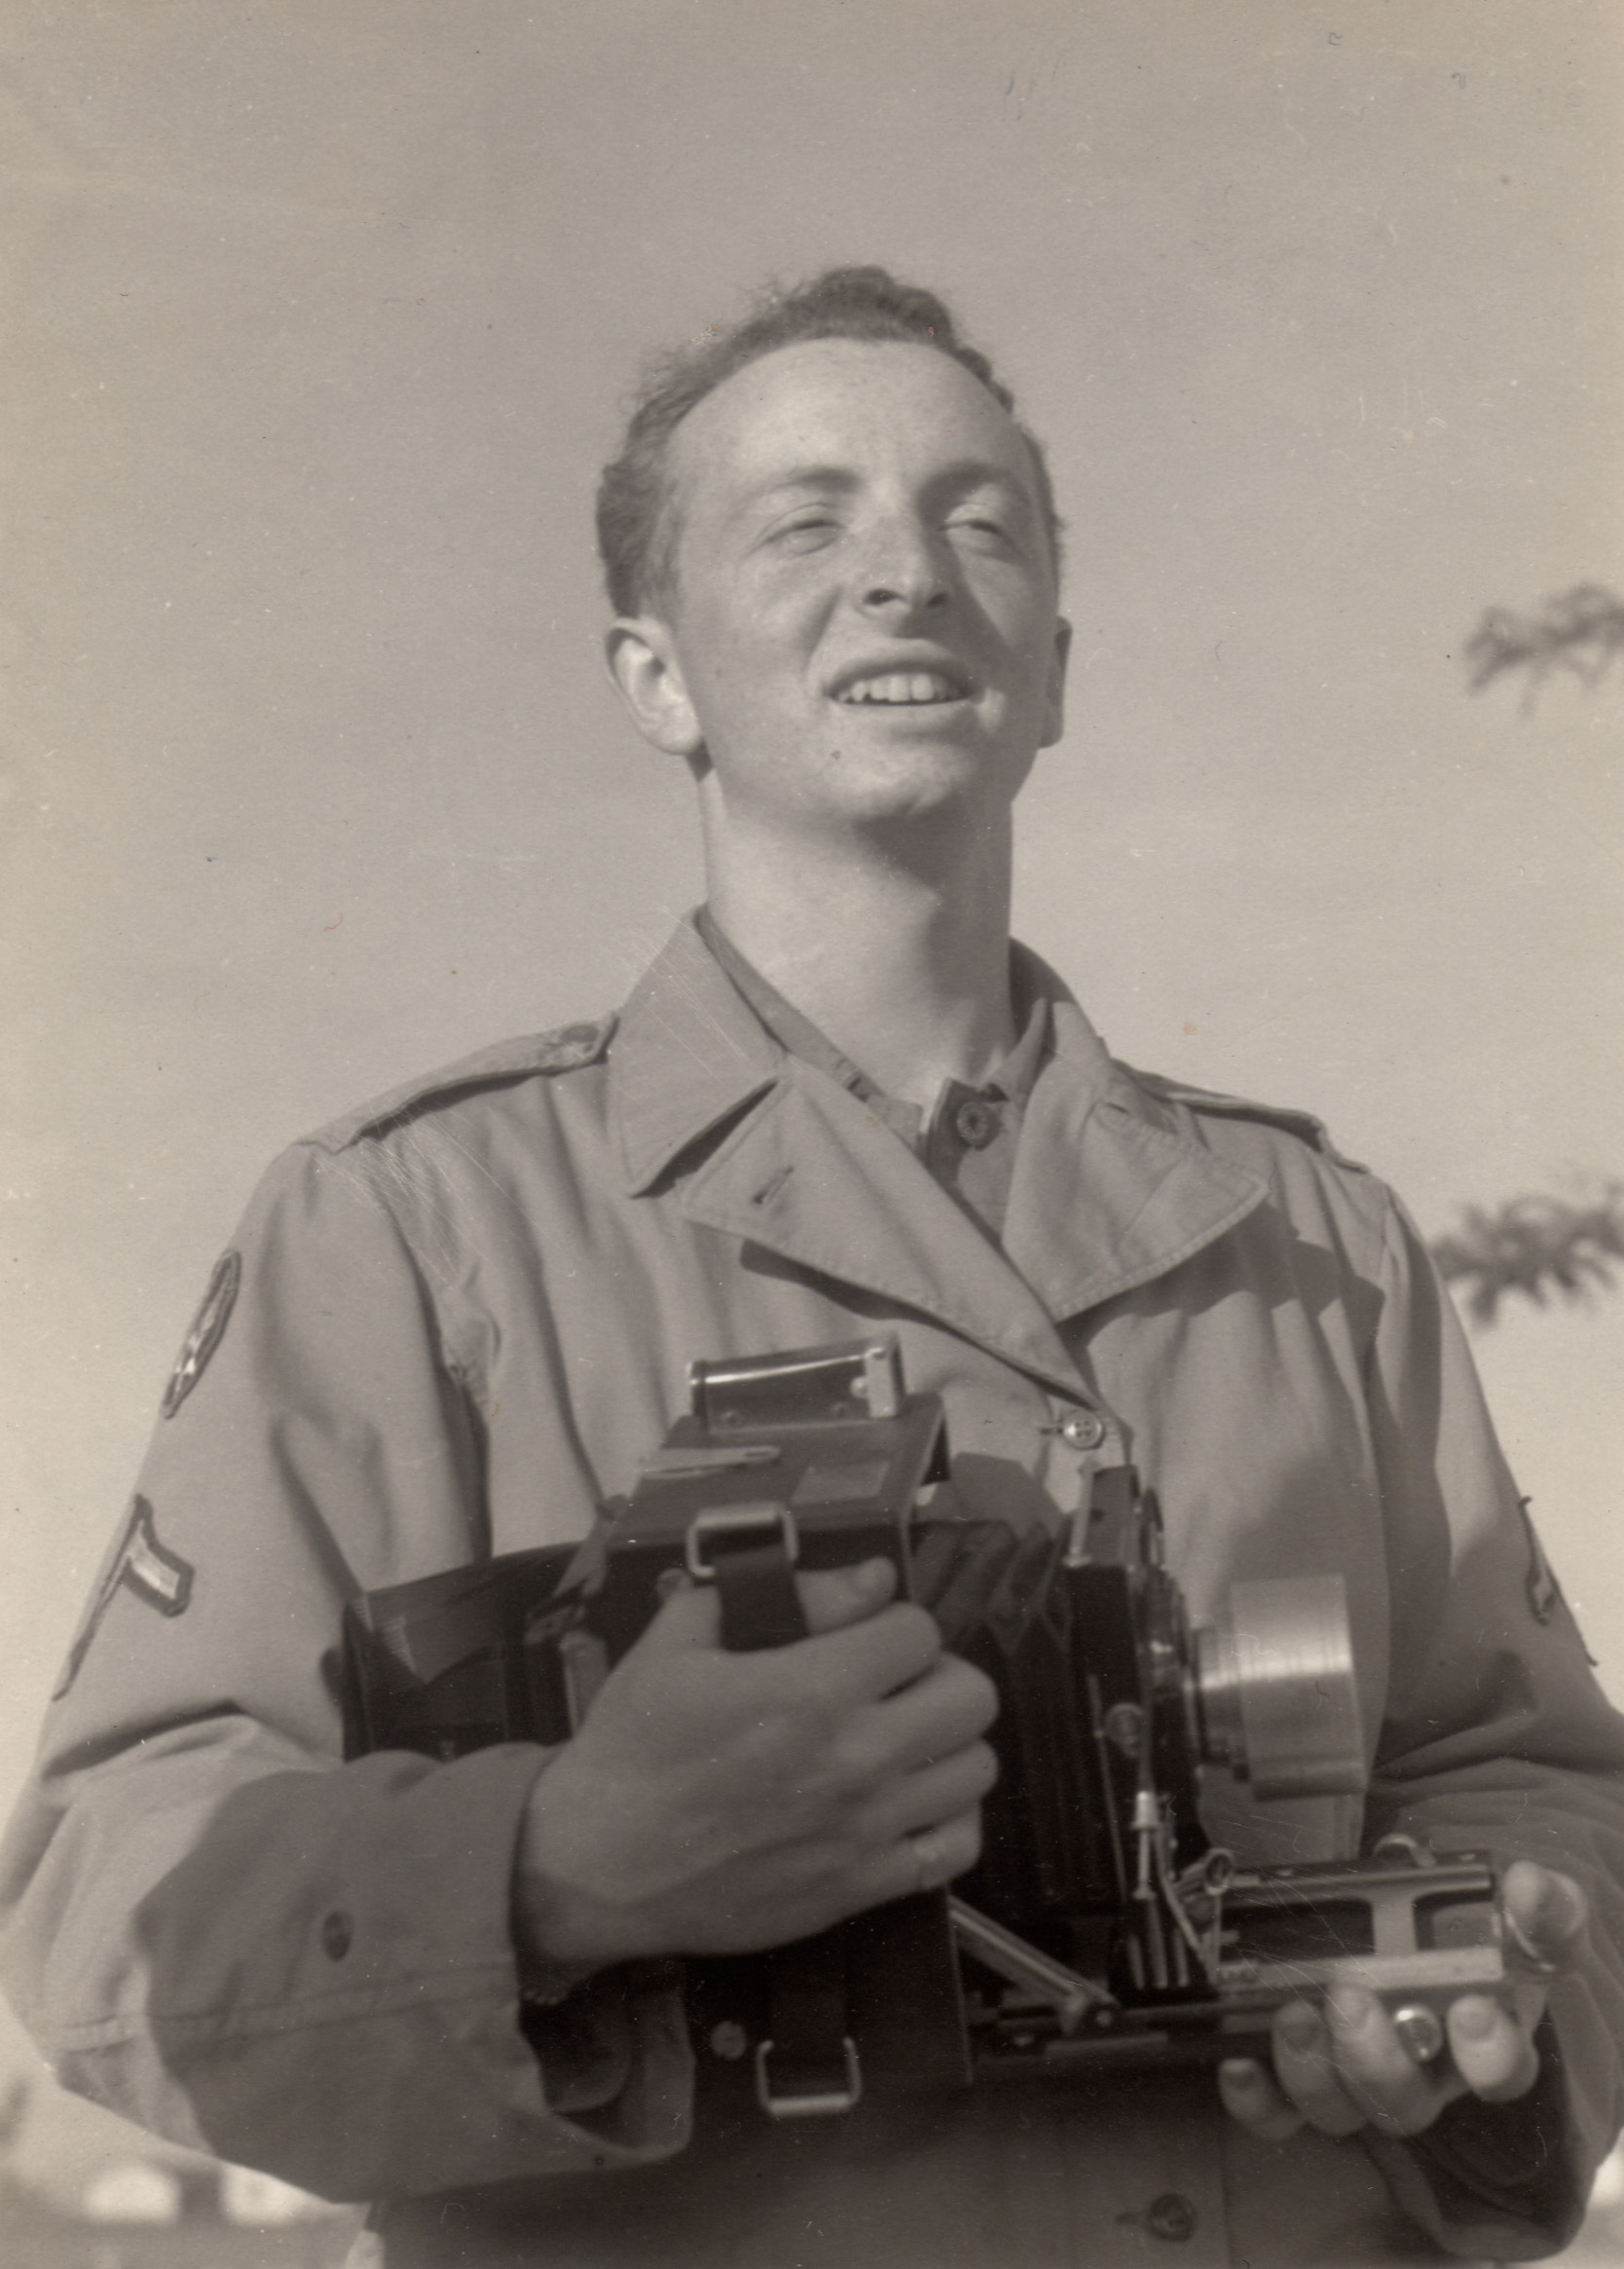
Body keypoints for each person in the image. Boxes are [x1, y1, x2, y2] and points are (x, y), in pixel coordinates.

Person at [3, 268, 1622, 2268]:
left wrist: (1486, 1990)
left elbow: (1538, 1780)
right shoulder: (414, 1226)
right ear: (656, 676)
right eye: (806, 521)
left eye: (981, 520)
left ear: (1054, 663)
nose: (907, 575)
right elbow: (107, 1898)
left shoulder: (1319, 1245)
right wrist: (556, 1866)